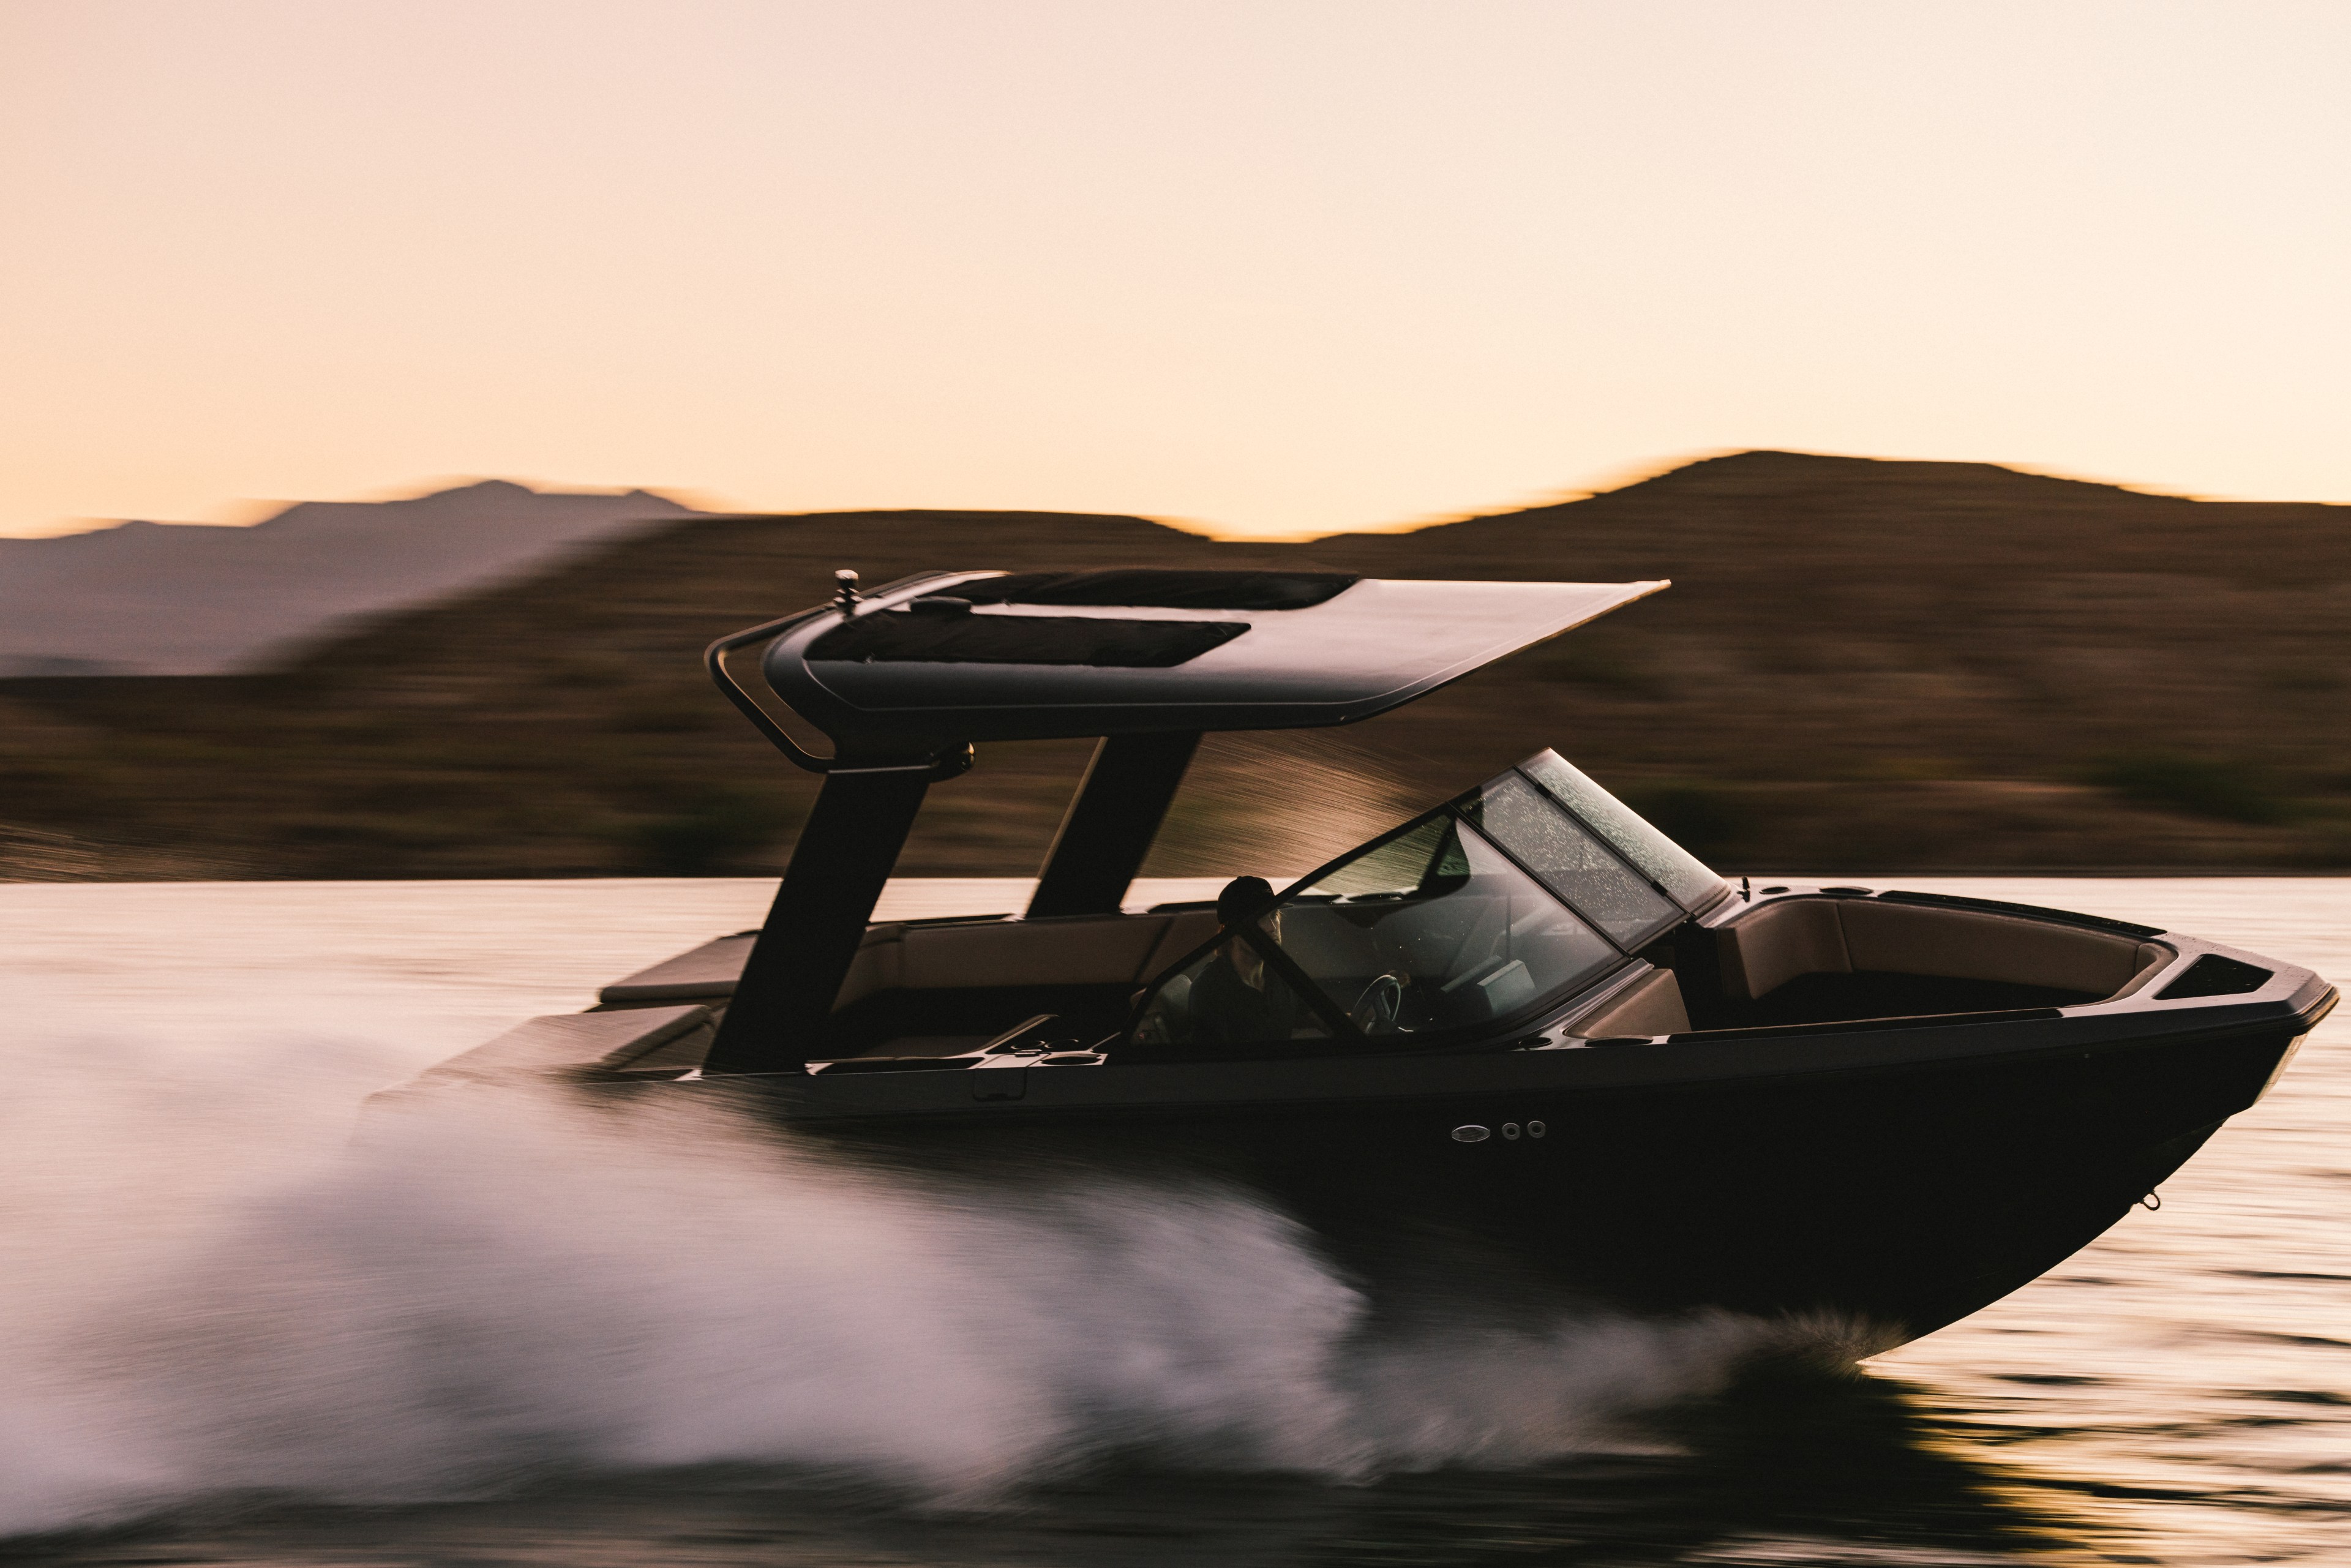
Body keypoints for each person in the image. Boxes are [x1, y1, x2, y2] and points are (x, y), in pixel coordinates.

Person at [1185, 876, 1298, 1046]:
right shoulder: (1210, 989)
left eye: (1274, 915)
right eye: (1260, 918)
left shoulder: (1281, 973)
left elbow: (1319, 1017)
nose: (1272, 927)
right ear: (1232, 931)